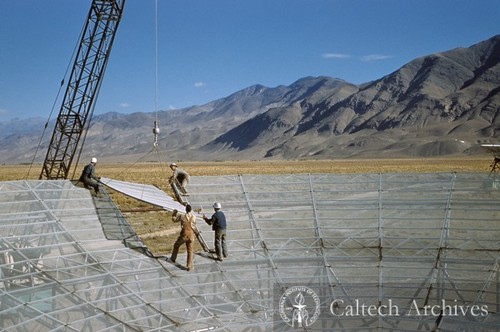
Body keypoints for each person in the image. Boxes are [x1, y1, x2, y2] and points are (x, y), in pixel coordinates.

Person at [170, 204, 197, 271]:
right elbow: (194, 225)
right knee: (190, 251)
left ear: (185, 209)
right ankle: (189, 266)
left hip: (184, 235)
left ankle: (173, 258)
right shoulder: (194, 216)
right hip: (191, 236)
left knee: (176, 245)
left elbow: (174, 220)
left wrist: (174, 214)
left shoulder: (182, 216)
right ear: (190, 210)